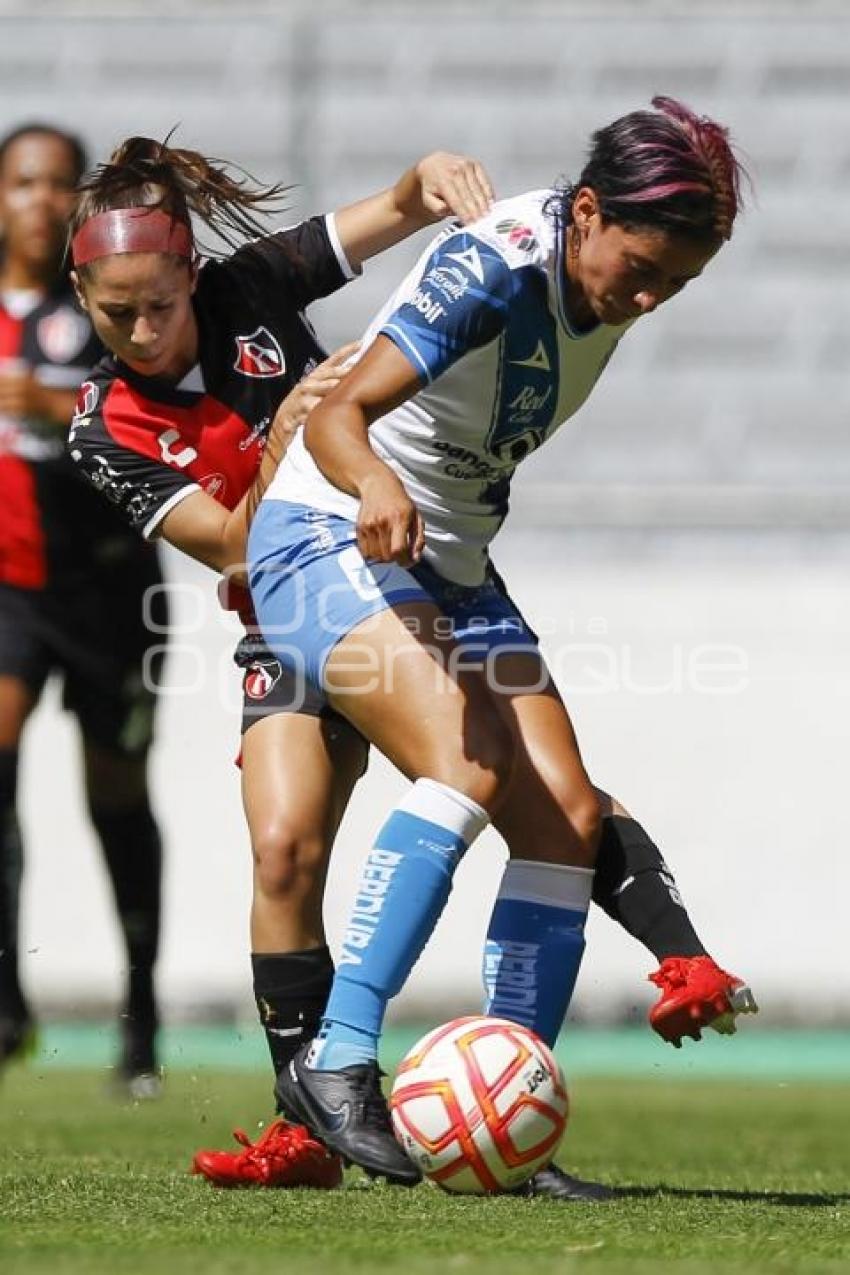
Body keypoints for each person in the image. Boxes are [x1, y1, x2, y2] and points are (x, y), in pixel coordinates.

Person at [68, 129, 753, 1200]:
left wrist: (422, 182)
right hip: (316, 551)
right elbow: (248, 520)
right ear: (585, 218)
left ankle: (508, 1126)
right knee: (313, 837)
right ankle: (328, 1075)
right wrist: (327, 451)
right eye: (119, 315)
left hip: (434, 563)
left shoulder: (250, 287)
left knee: (562, 816)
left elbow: (370, 225)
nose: (653, 298)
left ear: (190, 278)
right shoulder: (101, 420)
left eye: (680, 281)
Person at [0, 122, 167, 1096]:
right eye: (21, 182)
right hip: (10, 589)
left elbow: (151, 415)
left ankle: (139, 1018)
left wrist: (45, 404)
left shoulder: (107, 302)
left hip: (111, 594)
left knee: (115, 800)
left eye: (57, 183)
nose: (38, 199)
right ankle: (6, 996)